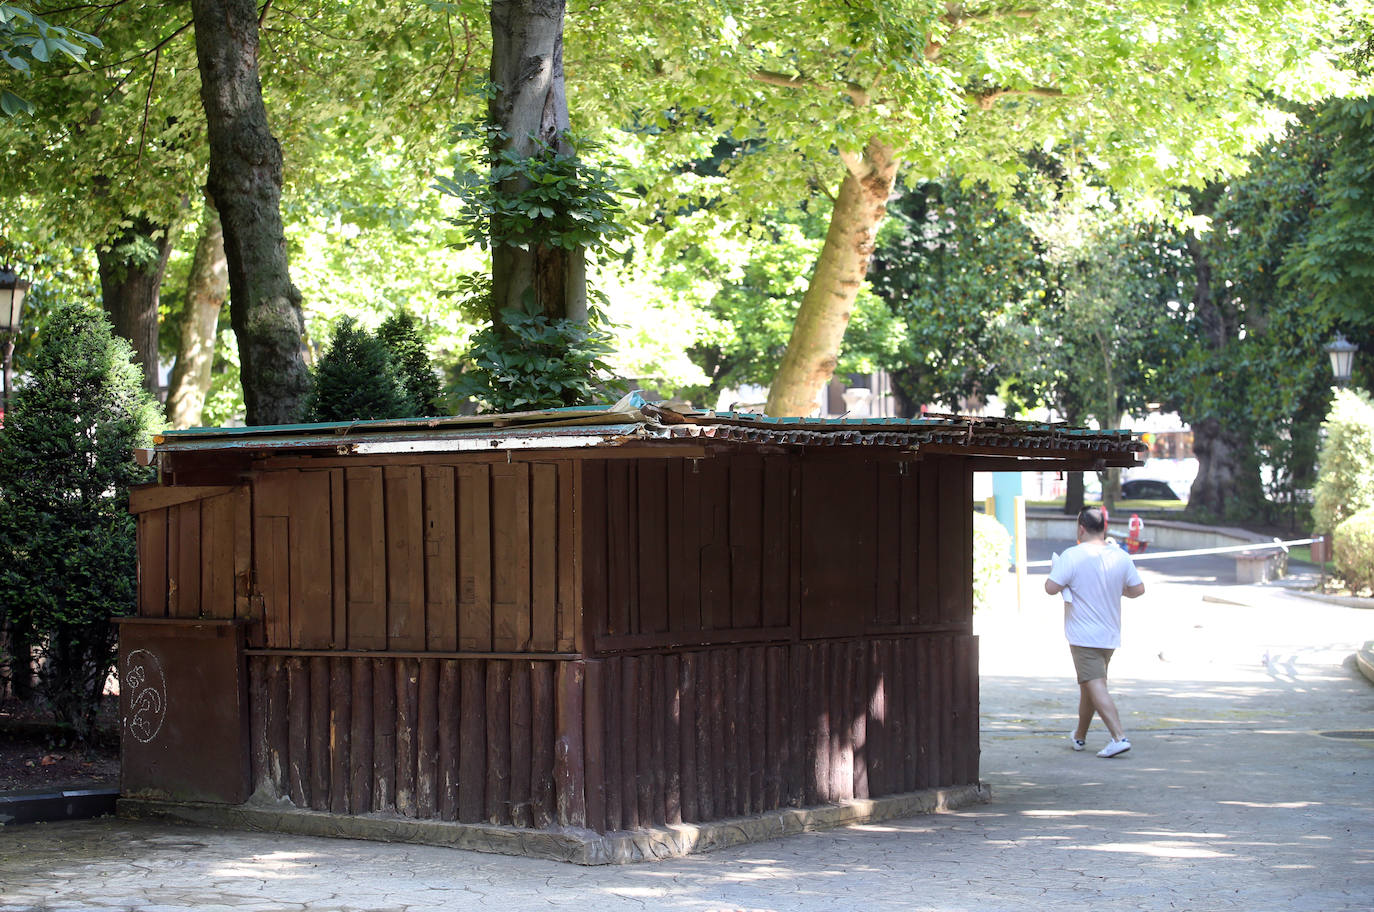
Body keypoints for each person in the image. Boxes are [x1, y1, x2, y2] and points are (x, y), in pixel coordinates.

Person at [1044, 506, 1145, 758]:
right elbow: (1137, 589)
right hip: (1109, 633)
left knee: (1095, 685)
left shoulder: (1071, 556)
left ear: (1081, 528)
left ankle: (1118, 736)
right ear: (1104, 528)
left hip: (1082, 635)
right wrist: (1116, 588)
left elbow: (1050, 587)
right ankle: (1079, 736)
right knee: (1089, 685)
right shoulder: (1120, 556)